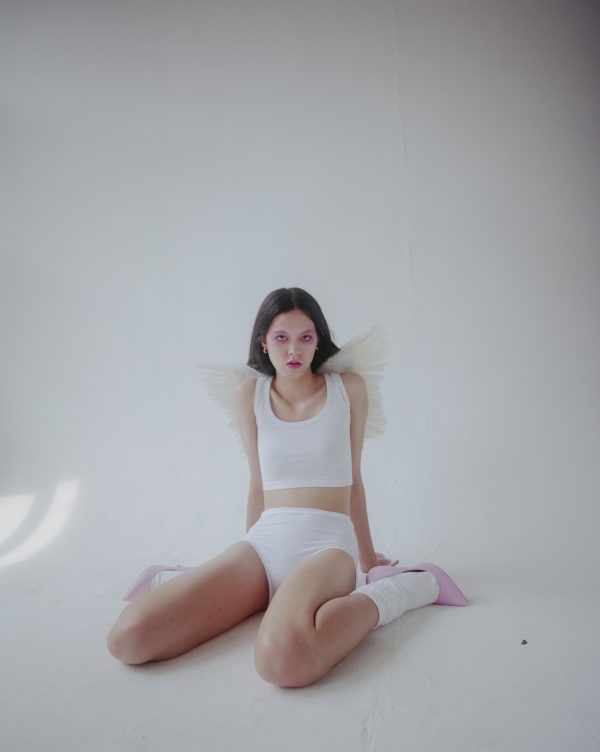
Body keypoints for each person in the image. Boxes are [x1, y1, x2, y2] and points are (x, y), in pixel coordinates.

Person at [106, 287, 467, 687]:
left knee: (282, 661)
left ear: (318, 341)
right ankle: (191, 582)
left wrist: (368, 563)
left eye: (305, 337)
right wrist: (238, 569)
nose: (293, 350)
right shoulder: (249, 395)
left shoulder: (347, 389)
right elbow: (257, 485)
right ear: (263, 341)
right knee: (128, 639)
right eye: (281, 337)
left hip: (327, 547)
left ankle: (405, 589)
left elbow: (354, 481)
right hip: (264, 544)